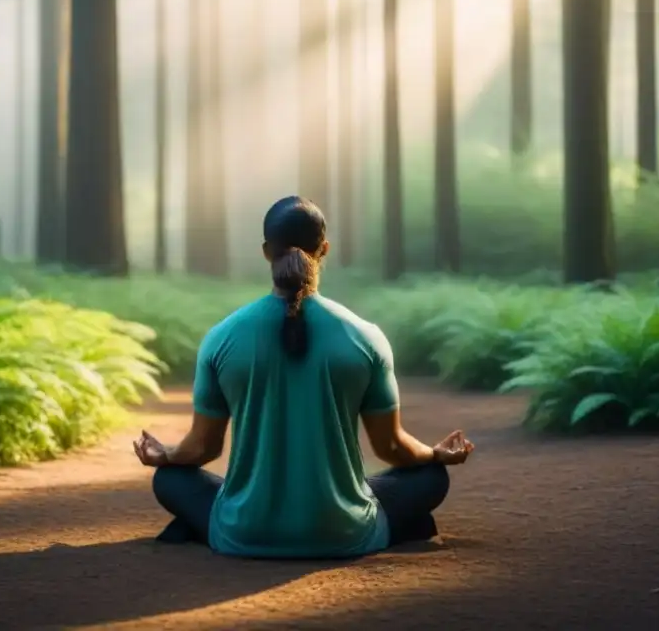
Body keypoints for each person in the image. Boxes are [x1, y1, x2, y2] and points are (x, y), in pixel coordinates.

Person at [134, 195, 474, 558]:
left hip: (245, 531)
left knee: (170, 479)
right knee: (430, 477)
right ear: (324, 249)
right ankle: (393, 527)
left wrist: (166, 455)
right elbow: (391, 447)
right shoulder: (365, 336)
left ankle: (209, 527)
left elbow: (203, 448)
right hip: (344, 531)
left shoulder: (221, 337)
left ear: (267, 252)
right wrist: (435, 454)